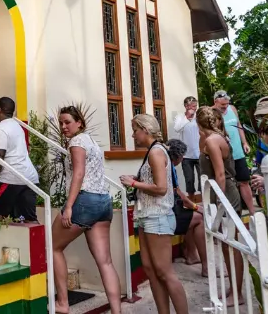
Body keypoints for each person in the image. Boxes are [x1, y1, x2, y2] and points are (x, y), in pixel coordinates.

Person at [53, 106, 121, 314]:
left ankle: (63, 303)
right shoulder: (91, 141)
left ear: (79, 122)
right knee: (105, 261)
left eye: (67, 122)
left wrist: (69, 207)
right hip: (103, 201)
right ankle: (118, 311)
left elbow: (79, 174)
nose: (63, 126)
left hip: (85, 201)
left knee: (52, 247)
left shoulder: (76, 142)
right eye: (61, 123)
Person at [120, 115, 188, 314]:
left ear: (145, 130)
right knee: (150, 268)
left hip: (157, 216)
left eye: (135, 130)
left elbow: (160, 188)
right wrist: (138, 179)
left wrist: (133, 183)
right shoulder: (155, 151)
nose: (133, 135)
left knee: (165, 272)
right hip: (147, 215)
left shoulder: (156, 152)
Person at [198, 106, 244, 305]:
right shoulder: (211, 138)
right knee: (225, 245)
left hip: (226, 194)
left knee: (231, 244)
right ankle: (233, 287)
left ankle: (238, 293)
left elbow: (220, 174)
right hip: (219, 193)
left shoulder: (212, 140)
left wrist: (219, 201)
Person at [0, 97, 39, 222]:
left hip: (11, 178)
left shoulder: (0, 129)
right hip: (30, 178)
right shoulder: (17, 126)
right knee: (29, 219)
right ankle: (39, 241)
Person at [167, 139, 208, 277]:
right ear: (178, 157)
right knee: (200, 218)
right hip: (169, 215)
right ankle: (206, 266)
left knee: (192, 215)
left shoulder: (166, 166)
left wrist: (194, 207)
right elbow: (181, 196)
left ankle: (191, 255)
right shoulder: (169, 169)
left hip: (169, 210)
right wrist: (197, 207)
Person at [213, 90, 256, 214]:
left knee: (244, 181)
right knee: (227, 182)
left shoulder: (232, 109)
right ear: (215, 102)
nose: (225, 107)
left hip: (238, 152)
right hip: (224, 155)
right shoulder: (211, 112)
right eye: (222, 105)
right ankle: (226, 212)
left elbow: (239, 126)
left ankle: (252, 211)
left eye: (227, 104)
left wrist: (245, 143)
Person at [173, 96, 200, 195]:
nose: (194, 108)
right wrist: (187, 117)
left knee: (203, 179)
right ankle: (192, 203)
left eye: (195, 106)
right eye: (191, 106)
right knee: (189, 180)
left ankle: (204, 202)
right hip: (186, 155)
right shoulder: (180, 117)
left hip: (199, 153)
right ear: (186, 106)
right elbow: (177, 128)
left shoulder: (199, 116)